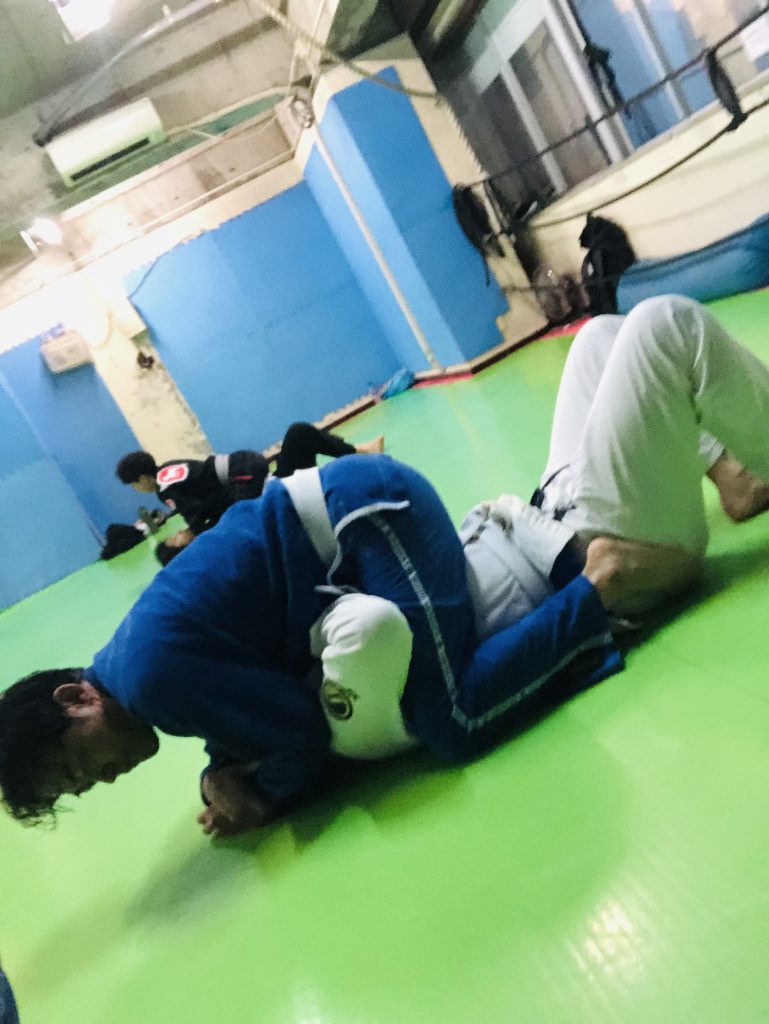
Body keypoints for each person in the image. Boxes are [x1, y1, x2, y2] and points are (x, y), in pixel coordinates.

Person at [2, 296, 768, 837]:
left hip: (369, 516)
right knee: (601, 337)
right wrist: (219, 770)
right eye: (81, 790)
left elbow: (297, 734)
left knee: (452, 718)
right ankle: (726, 466)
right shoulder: (138, 667)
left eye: (76, 770)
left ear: (76, 700)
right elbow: (241, 702)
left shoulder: (149, 681)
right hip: (517, 519)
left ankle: (604, 589)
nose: (100, 781)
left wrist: (260, 795)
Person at [115, 421, 385, 563]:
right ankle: (360, 451)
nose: (178, 533)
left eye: (134, 484)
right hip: (264, 480)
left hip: (248, 479)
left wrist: (195, 532)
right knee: (299, 433)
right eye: (176, 538)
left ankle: (356, 452)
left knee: (243, 519)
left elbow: (193, 514)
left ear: (142, 478)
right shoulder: (171, 470)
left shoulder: (164, 485)